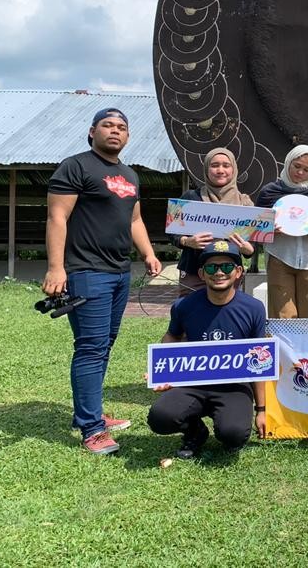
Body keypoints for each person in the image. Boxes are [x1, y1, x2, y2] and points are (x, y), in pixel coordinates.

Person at [43, 107, 162, 455]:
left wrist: (148, 254)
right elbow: (57, 216)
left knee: (104, 343)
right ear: (92, 132)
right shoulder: (76, 166)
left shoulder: (129, 176)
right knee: (91, 347)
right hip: (85, 271)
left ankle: (89, 413)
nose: (115, 131)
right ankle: (92, 429)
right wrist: (55, 267)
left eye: (122, 127)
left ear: (127, 136)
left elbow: (134, 219)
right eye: (107, 125)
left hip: (119, 272)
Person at [147, 240, 267, 458]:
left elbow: (259, 361)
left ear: (238, 272)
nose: (219, 272)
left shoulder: (254, 308)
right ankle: (195, 431)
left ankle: (229, 424)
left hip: (234, 386)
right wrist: (162, 371)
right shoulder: (184, 305)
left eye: (227, 267)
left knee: (233, 434)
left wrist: (262, 410)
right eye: (212, 267)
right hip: (195, 381)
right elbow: (172, 335)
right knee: (160, 417)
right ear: (201, 274)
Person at [256, 144, 308, 319]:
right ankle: (285, 348)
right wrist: (270, 230)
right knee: (283, 315)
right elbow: (254, 228)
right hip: (279, 257)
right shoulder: (270, 192)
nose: (300, 172)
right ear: (288, 163)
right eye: (297, 166)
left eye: (306, 169)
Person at [171, 147, 256, 295]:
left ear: (234, 169)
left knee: (225, 314)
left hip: (228, 272)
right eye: (215, 165)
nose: (220, 170)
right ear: (206, 169)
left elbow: (252, 245)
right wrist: (187, 241)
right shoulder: (190, 198)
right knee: (191, 313)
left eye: (226, 165)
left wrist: (248, 249)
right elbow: (172, 233)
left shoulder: (245, 203)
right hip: (194, 271)